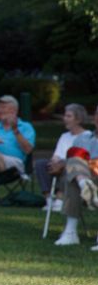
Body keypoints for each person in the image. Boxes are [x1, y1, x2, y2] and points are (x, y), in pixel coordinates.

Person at [53, 105, 98, 250]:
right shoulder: (83, 138)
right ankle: (86, 186)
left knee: (74, 171)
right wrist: (60, 164)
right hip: (85, 177)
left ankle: (71, 232)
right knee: (73, 163)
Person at [34, 103, 89, 212]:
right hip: (59, 164)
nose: (65, 119)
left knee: (68, 165)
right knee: (41, 164)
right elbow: (56, 155)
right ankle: (49, 200)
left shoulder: (87, 136)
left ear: (78, 119)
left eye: (69, 116)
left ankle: (60, 200)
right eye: (65, 116)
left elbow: (83, 158)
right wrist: (54, 162)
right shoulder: (64, 136)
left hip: (75, 167)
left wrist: (61, 164)